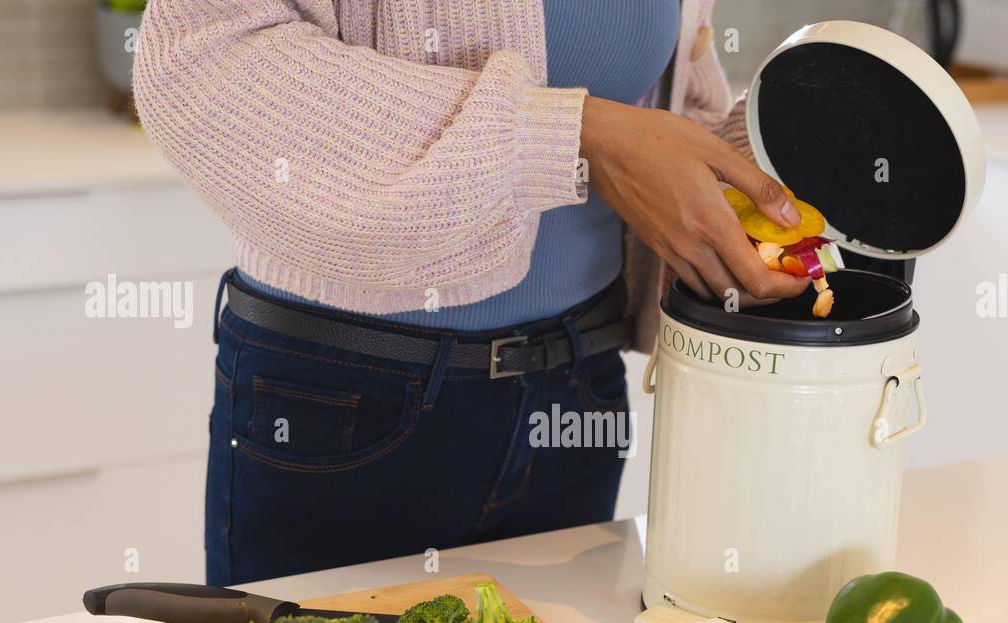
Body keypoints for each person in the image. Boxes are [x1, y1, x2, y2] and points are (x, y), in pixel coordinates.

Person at [133, 0, 809, 586]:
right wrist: (569, 136)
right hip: (345, 404)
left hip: (578, 391)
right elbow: (201, 60)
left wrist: (737, 169)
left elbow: (662, 93)